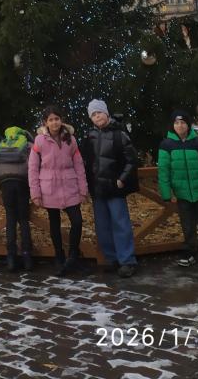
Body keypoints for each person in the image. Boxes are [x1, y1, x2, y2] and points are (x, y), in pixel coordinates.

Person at [81, 99, 139, 279]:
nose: (97, 116)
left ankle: (127, 260)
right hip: (98, 188)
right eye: (93, 114)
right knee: (103, 226)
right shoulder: (89, 136)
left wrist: (122, 179)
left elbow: (131, 160)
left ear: (106, 113)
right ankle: (111, 257)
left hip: (115, 187)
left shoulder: (119, 134)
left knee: (120, 224)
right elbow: (85, 160)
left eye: (99, 112)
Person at [28, 106, 88, 276]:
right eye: (51, 120)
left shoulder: (71, 139)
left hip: (69, 185)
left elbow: (79, 165)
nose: (54, 122)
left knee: (77, 221)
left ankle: (73, 256)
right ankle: (59, 256)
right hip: (49, 186)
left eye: (57, 119)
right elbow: (33, 167)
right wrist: (35, 192)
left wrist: (83, 188)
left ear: (61, 120)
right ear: (45, 122)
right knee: (54, 223)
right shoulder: (39, 141)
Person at [157, 109, 198, 269]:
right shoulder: (166, 145)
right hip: (181, 193)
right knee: (187, 224)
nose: (180, 126)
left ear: (188, 125)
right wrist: (166, 193)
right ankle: (190, 251)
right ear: (172, 125)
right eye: (177, 123)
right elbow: (164, 171)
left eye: (183, 123)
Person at [0, 125, 33, 271]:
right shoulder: (27, 144)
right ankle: (27, 257)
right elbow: (35, 161)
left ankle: (11, 258)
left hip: (5, 182)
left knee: (10, 219)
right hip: (22, 181)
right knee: (23, 219)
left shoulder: (3, 143)